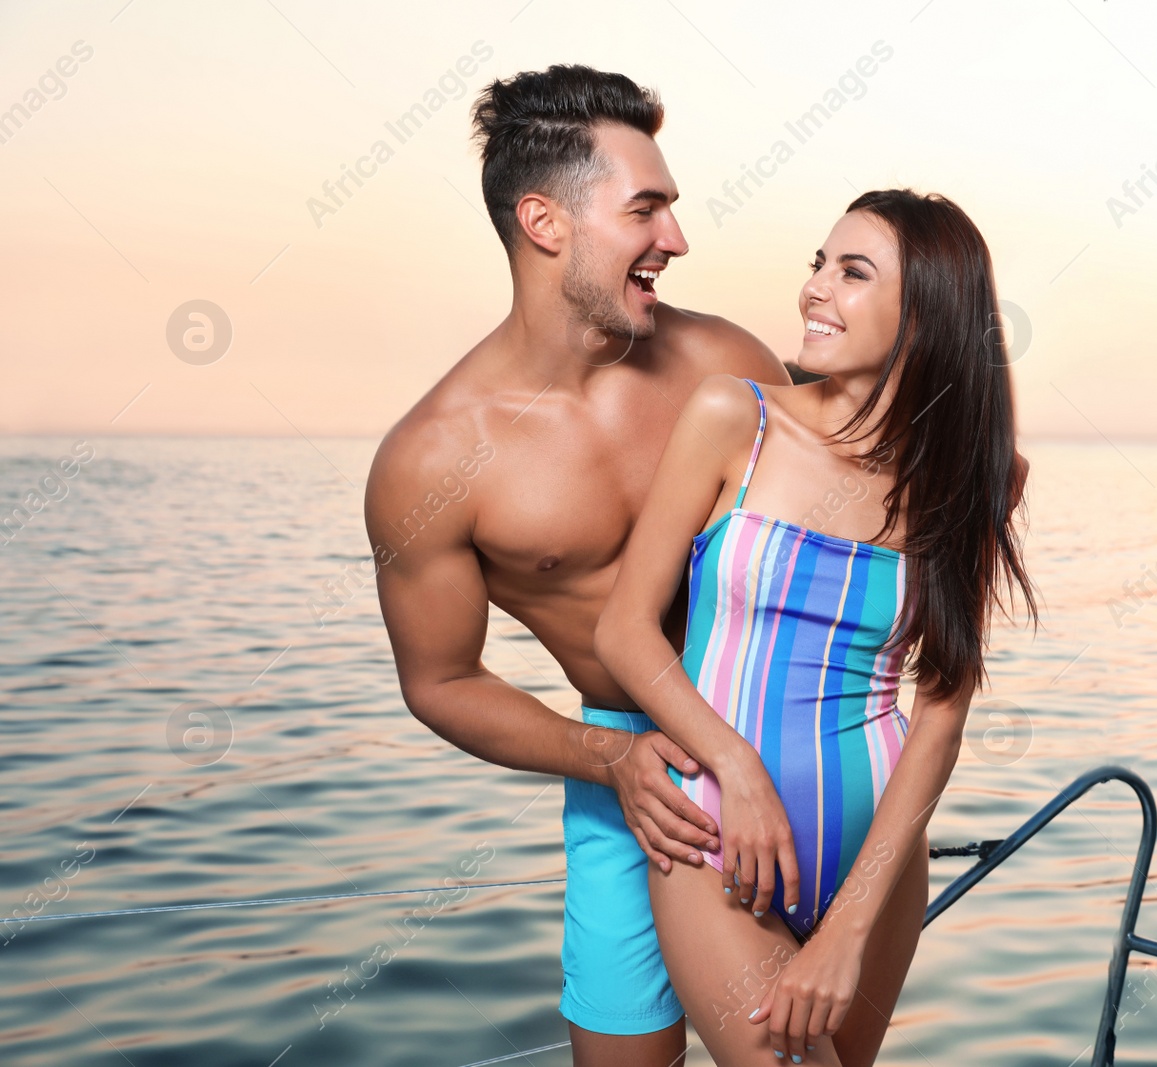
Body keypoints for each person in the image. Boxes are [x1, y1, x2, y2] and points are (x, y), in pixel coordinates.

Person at [364, 65, 790, 1065]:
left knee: (792, 1049)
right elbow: (439, 680)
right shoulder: (431, 458)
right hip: (627, 777)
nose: (676, 239)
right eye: (646, 210)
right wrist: (609, 760)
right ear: (545, 223)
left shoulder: (726, 360)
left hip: (784, 740)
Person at [596, 189, 1036, 1065]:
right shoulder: (737, 419)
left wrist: (848, 926)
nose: (815, 290)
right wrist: (735, 768)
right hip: (720, 838)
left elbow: (943, 707)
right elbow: (625, 631)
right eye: (818, 265)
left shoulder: (977, 477)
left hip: (874, 870)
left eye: (853, 272)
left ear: (927, 316)